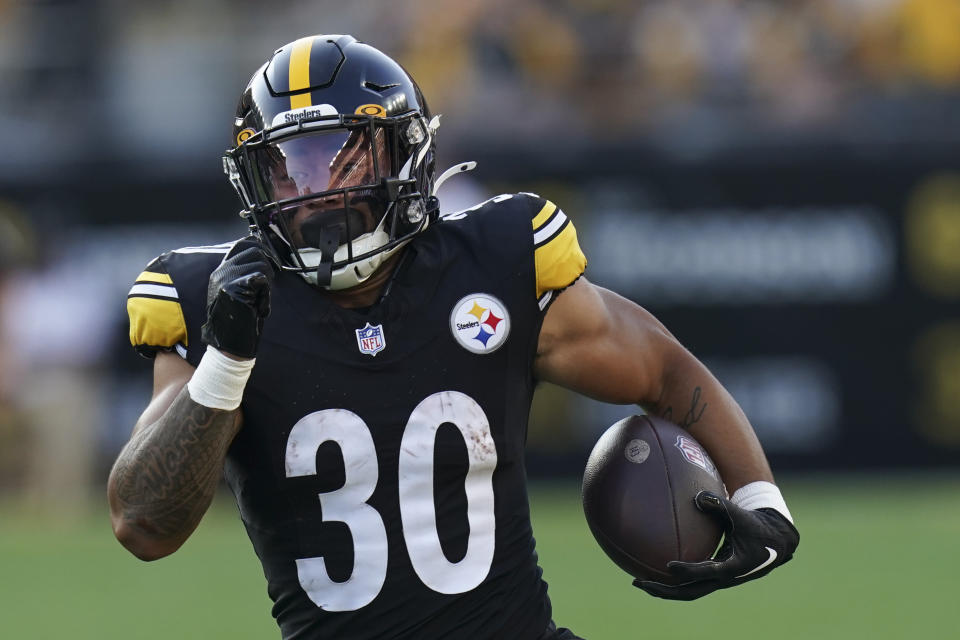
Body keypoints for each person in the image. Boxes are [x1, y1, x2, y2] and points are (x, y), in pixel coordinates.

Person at [108, 35, 798, 640]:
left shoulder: (492, 264)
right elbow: (144, 524)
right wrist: (226, 363)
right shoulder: (221, 304)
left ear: (404, 155)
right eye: (285, 167)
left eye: (334, 159)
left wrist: (761, 500)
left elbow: (662, 371)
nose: (308, 193)